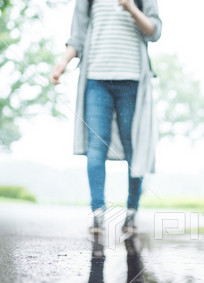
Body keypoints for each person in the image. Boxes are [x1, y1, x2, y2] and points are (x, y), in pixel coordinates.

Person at [49, 0, 162, 234]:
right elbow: (78, 35)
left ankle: (131, 212)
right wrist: (62, 62)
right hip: (96, 79)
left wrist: (131, 7)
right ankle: (98, 213)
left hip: (132, 80)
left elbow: (155, 31)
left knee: (133, 148)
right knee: (96, 145)